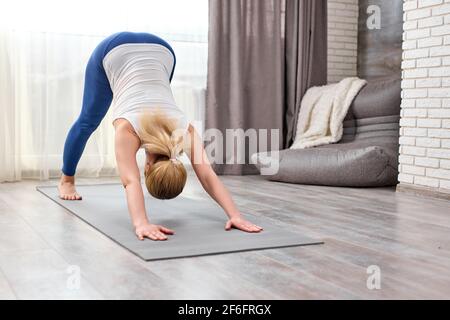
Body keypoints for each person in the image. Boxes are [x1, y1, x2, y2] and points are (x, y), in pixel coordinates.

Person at [59, 32, 263, 241]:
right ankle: (66, 180)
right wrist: (141, 223)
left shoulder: (185, 130)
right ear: (146, 168)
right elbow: (130, 181)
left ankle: (67, 179)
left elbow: (208, 176)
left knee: (141, 89)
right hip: (113, 51)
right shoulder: (128, 130)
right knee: (88, 121)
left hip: (163, 50)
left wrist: (236, 215)